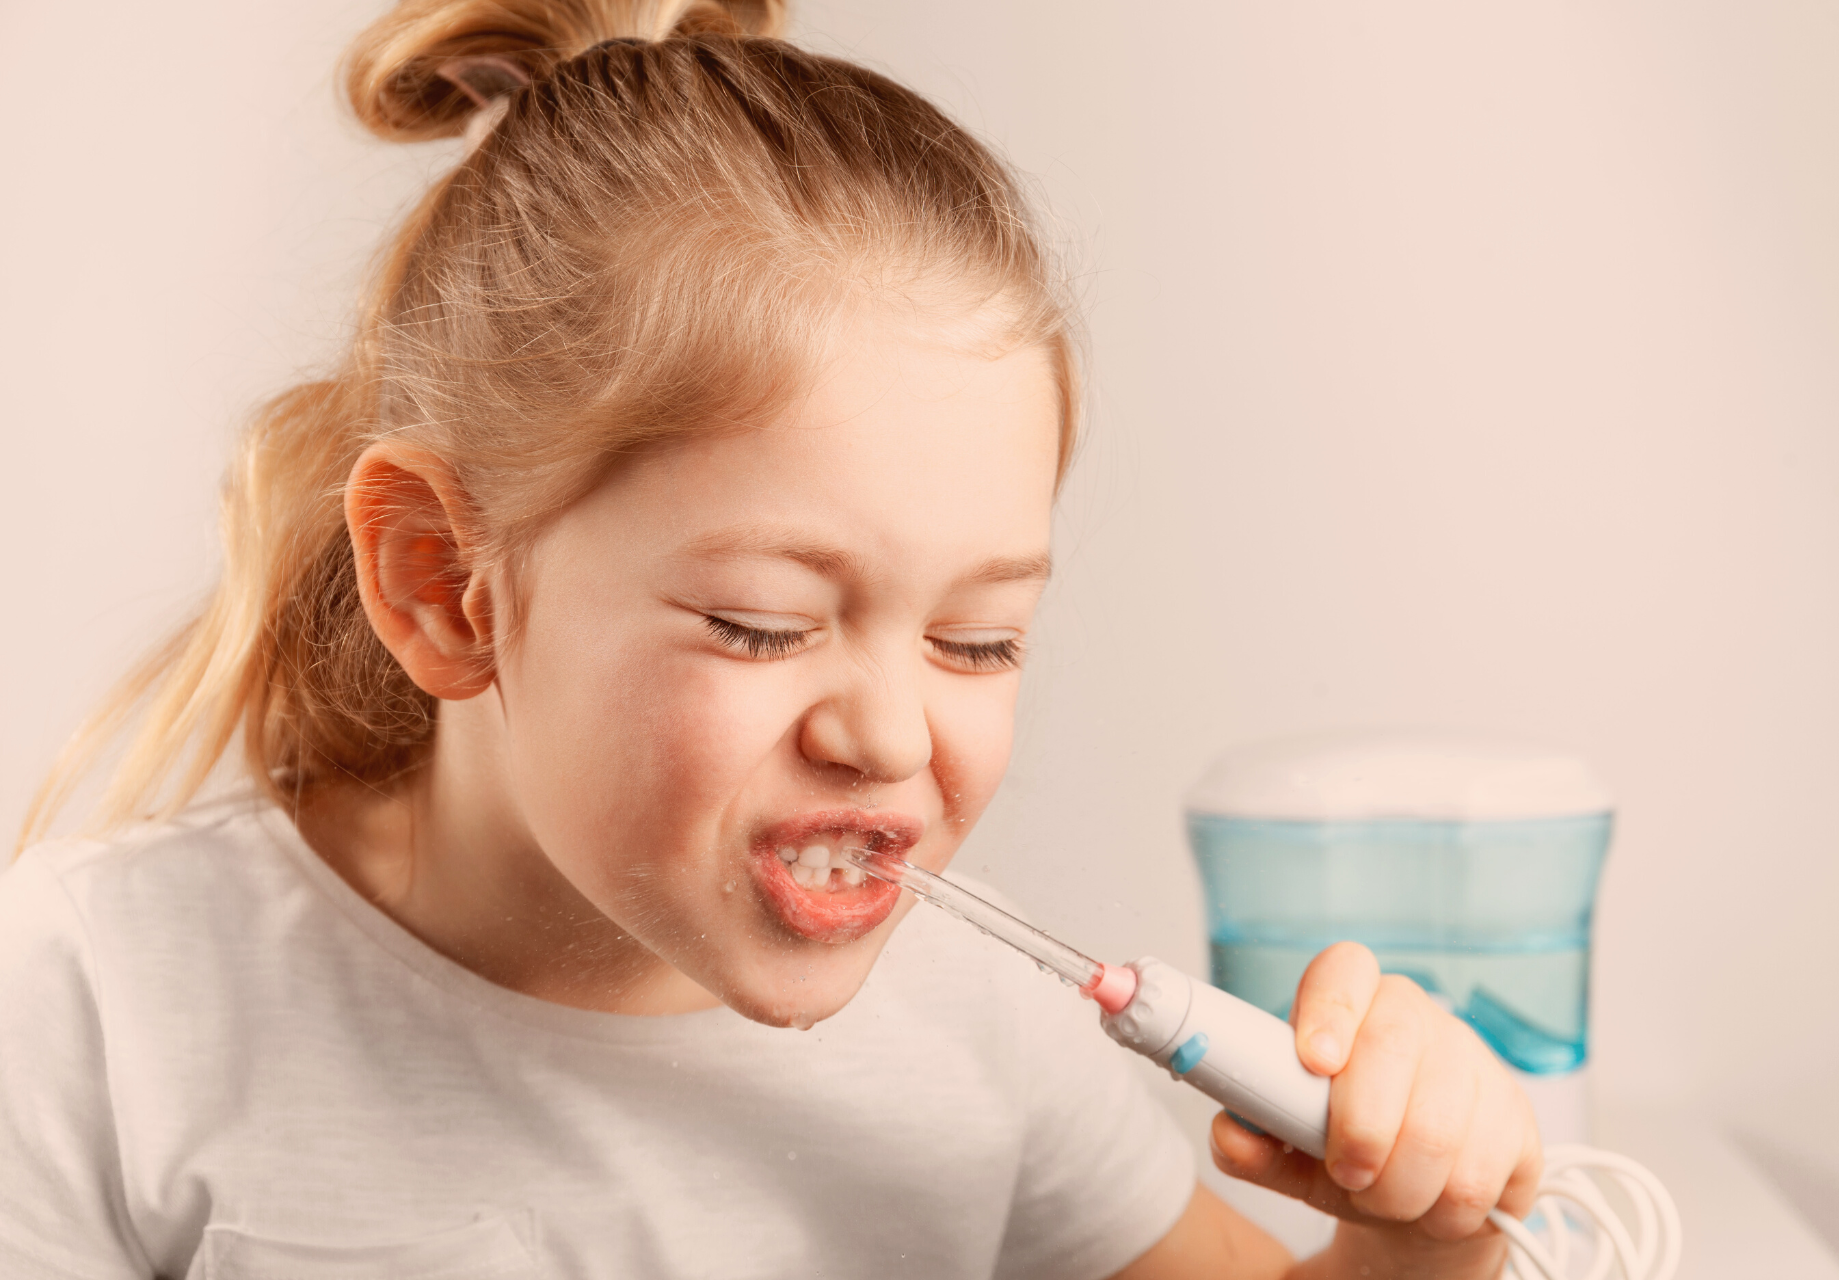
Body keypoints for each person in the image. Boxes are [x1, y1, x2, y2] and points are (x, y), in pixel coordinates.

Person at [1, 3, 1541, 1276]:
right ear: (442, 582)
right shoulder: (93, 1008)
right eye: (763, 626)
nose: (884, 736)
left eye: (981, 641)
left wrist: (1425, 1244)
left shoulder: (985, 1030)